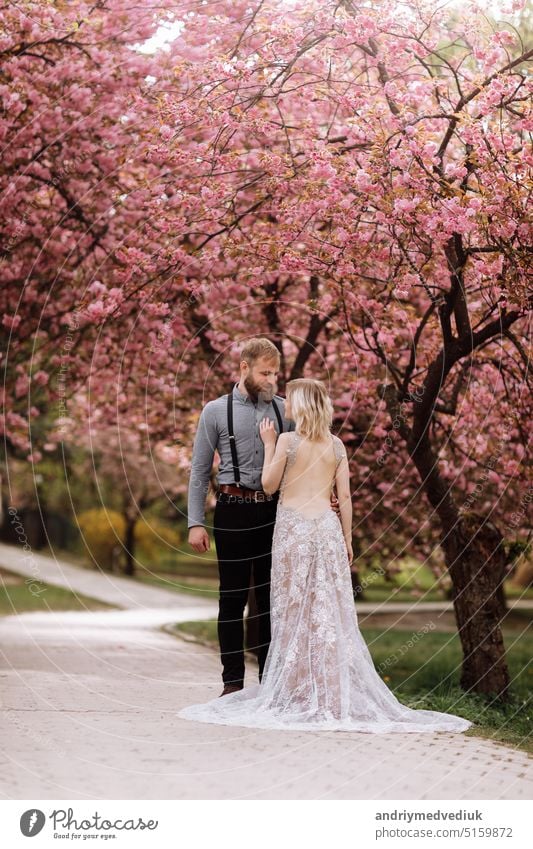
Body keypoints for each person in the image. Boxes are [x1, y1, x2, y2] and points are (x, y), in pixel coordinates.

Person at [179, 378, 473, 733]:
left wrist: (268, 444)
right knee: (328, 611)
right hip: (327, 530)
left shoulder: (286, 440)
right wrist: (348, 539)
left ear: (300, 405)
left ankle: (290, 688)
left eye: (290, 398)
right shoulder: (336, 446)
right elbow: (345, 497)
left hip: (293, 532)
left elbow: (269, 485)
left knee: (290, 609)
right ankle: (329, 691)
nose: (283, 401)